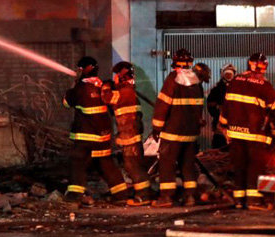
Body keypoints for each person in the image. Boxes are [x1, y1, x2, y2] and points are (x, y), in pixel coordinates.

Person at [63, 56, 130, 206]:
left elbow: (66, 103)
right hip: (103, 136)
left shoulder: (80, 88)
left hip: (85, 137)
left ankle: (74, 194)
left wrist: (74, 85)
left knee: (77, 162)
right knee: (106, 164)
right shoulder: (103, 87)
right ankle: (121, 194)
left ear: (83, 70)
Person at [219, 52, 275, 210]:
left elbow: (226, 106)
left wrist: (223, 125)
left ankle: (239, 201)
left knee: (239, 166)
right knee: (255, 166)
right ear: (264, 67)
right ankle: (254, 200)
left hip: (235, 133)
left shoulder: (235, 81)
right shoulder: (264, 85)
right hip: (256, 135)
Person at [150, 48, 205, 207]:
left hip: (172, 132)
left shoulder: (172, 79)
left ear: (175, 63)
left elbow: (163, 104)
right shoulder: (196, 81)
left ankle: (166, 197)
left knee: (167, 164)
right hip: (190, 133)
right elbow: (199, 108)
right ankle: (190, 196)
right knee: (187, 165)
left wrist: (156, 127)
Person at [104, 61, 152, 205]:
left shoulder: (124, 92)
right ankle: (143, 194)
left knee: (133, 166)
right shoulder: (128, 91)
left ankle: (144, 195)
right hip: (131, 135)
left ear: (121, 77)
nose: (114, 78)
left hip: (130, 137)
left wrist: (106, 86)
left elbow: (107, 98)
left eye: (116, 75)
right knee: (133, 165)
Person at [207, 64, 236, 149]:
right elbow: (211, 106)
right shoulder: (216, 90)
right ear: (223, 74)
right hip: (220, 126)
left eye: (230, 74)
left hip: (235, 126)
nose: (229, 76)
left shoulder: (238, 89)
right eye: (227, 74)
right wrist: (219, 113)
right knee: (219, 148)